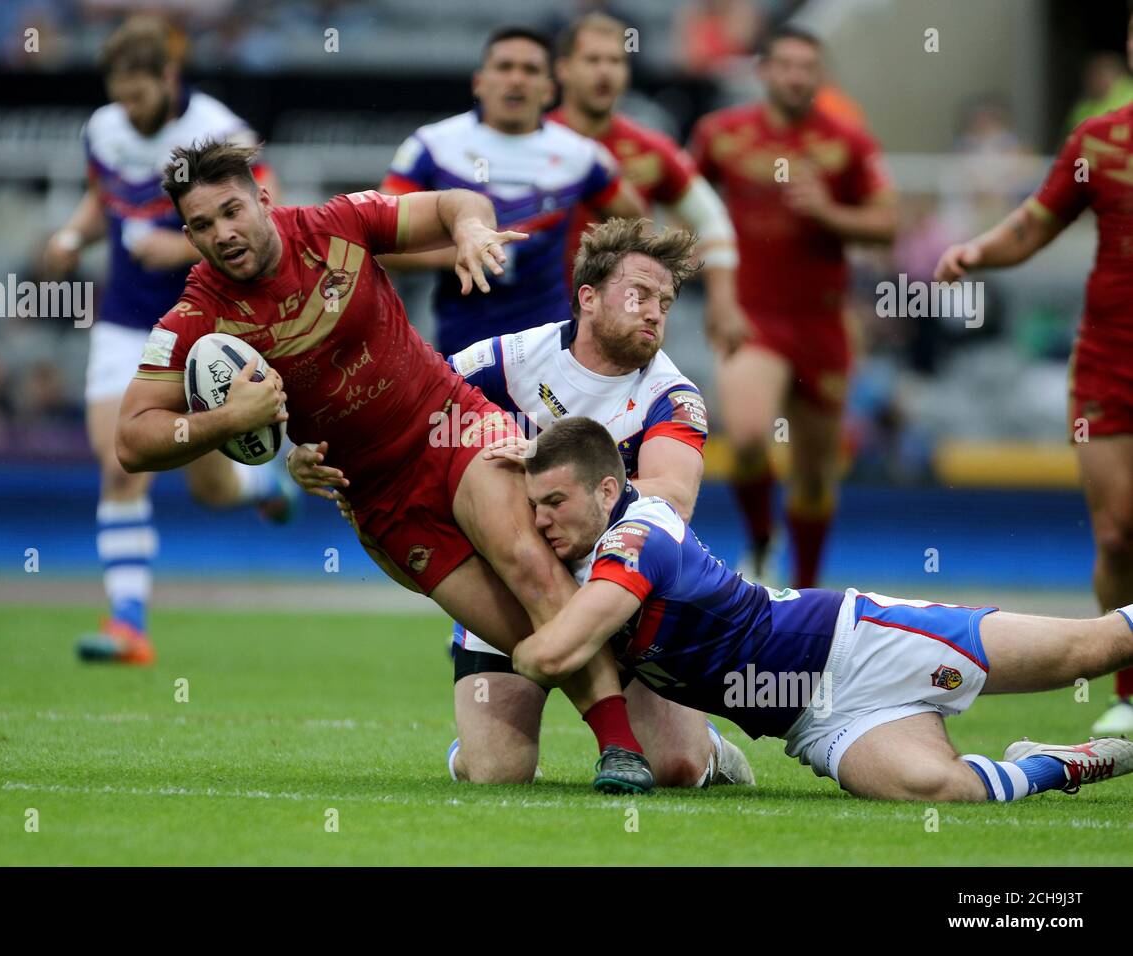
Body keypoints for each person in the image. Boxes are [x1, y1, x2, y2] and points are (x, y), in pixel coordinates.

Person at [116, 139, 654, 793]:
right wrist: (228, 421)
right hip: (379, 500)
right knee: (521, 643)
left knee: (530, 567)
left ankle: (622, 748)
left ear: (262, 196)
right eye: (201, 225)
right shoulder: (198, 315)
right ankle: (524, 734)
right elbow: (133, 439)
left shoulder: (338, 224)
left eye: (231, 211)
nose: (222, 234)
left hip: (449, 425)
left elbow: (455, 203)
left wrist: (474, 229)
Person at [292, 218, 755, 789]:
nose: (655, 311)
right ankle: (476, 740)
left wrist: (552, 461)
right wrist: (315, 454)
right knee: (497, 775)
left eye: (665, 299)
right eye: (638, 294)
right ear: (587, 297)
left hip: (618, 598)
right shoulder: (507, 360)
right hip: (509, 583)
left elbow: (674, 500)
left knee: (678, 770)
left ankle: (706, 747)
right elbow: (400, 412)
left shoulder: (672, 396)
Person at [511, 416, 1133, 801]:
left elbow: (557, 651)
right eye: (532, 505)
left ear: (608, 490)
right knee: (935, 788)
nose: (540, 521)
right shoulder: (582, 555)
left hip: (857, 641)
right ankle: (1060, 765)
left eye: (554, 502)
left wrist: (506, 636)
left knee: (1094, 648)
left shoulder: (639, 534)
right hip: (810, 721)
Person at [42, 16, 292, 665]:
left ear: (168, 77)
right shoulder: (102, 129)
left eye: (140, 96)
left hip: (202, 324)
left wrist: (177, 244)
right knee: (121, 461)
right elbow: (108, 199)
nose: (129, 109)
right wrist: (72, 236)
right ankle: (129, 623)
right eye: (120, 97)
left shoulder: (219, 131)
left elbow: (269, 214)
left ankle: (258, 486)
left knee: (210, 492)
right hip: (127, 322)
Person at [933, 12, 1133, 736]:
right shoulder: (1099, 140)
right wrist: (976, 252)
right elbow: (1034, 222)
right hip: (1110, 356)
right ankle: (1129, 692)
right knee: (1115, 534)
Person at [688, 24, 897, 588]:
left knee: (812, 473)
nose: (796, 76)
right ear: (764, 71)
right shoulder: (721, 135)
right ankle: (759, 539)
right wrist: (705, 284)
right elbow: (684, 203)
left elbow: (887, 224)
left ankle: (805, 589)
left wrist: (830, 213)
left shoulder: (847, 142)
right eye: (785, 65)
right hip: (751, 316)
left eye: (808, 67)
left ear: (819, 76)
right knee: (750, 434)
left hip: (823, 323)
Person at [377, 25, 647, 356]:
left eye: (530, 70)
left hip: (551, 345)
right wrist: (461, 252)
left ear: (549, 90)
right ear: (480, 82)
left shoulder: (580, 155)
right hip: (460, 345)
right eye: (505, 67)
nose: (516, 79)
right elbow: (380, 239)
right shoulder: (433, 146)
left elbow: (637, 227)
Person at [547, 12, 746, 350]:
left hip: (617, 329)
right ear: (563, 69)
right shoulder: (533, 144)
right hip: (532, 318)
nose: (605, 71)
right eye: (592, 60)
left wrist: (723, 300)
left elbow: (712, 220)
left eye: (615, 61)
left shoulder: (650, 148)